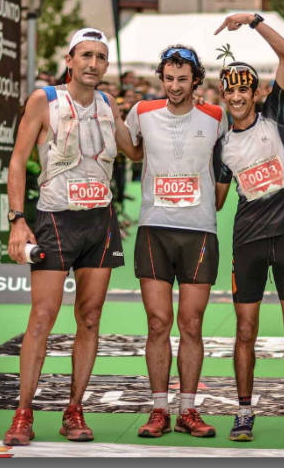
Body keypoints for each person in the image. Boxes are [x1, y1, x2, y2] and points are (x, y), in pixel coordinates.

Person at [3, 28, 141, 446]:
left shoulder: (107, 103)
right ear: (69, 59)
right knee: (42, 319)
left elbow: (134, 151)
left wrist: (172, 113)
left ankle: (74, 409)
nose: (93, 63)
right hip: (55, 219)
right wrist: (16, 219)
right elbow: (17, 160)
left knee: (91, 318)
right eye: (86, 55)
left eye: (100, 57)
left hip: (99, 222)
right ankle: (23, 413)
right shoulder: (45, 100)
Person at [213, 12, 284, 444]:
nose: (237, 96)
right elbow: (218, 199)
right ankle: (243, 413)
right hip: (248, 241)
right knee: (245, 332)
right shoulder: (221, 144)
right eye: (230, 89)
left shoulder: (275, 115)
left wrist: (254, 20)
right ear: (222, 95)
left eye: (244, 88)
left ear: (255, 92)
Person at [125, 45, 229, 439]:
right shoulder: (142, 112)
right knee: (157, 323)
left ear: (196, 80)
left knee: (191, 324)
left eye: (182, 79)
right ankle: (158, 410)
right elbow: (131, 149)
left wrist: (220, 191)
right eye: (168, 78)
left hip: (200, 230)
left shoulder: (216, 115)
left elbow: (233, 154)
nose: (174, 86)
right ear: (161, 77)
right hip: (154, 227)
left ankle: (188, 410)